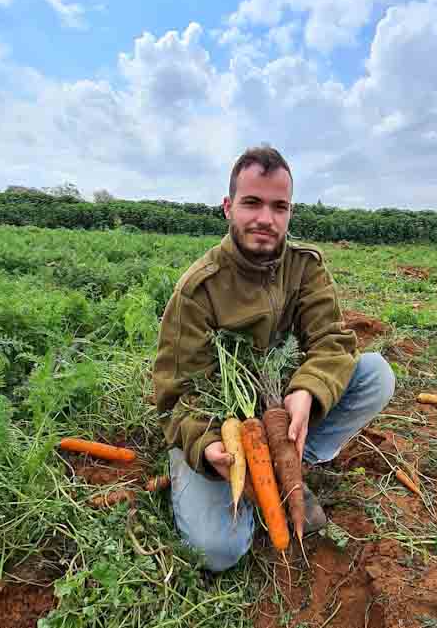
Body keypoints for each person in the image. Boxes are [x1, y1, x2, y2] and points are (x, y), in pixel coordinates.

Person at [152, 146, 395, 571]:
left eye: (278, 206)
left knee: (375, 374)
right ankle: (216, 482)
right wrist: (210, 448)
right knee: (219, 550)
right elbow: (177, 397)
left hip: (279, 405)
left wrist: (307, 390)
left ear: (289, 212)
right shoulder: (197, 291)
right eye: (252, 203)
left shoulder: (304, 267)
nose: (265, 218)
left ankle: (292, 469)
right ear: (228, 207)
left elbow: (332, 342)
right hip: (217, 426)